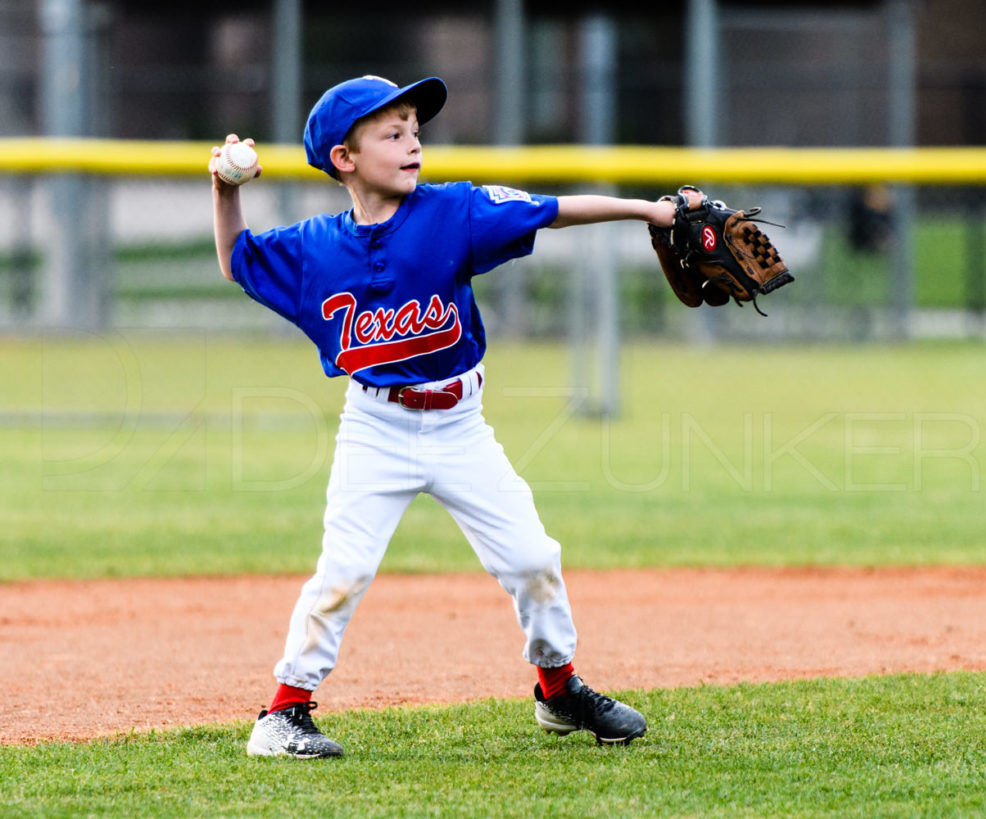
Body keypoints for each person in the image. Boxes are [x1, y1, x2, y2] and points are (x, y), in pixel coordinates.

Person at [210, 74, 690, 758]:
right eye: (392, 131)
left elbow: (553, 209)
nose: (413, 143)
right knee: (342, 571)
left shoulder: (453, 213)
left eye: (415, 129)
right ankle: (283, 715)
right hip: (374, 427)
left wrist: (650, 213)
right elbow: (236, 260)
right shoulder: (315, 249)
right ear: (343, 158)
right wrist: (225, 189)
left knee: (533, 558)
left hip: (460, 425)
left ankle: (559, 691)